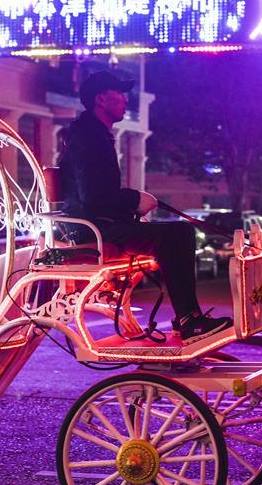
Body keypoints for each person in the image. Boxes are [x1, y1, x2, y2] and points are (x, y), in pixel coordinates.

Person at [58, 70, 232, 344]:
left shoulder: (93, 135)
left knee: (178, 233)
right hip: (93, 230)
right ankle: (188, 319)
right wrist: (135, 200)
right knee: (178, 235)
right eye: (119, 94)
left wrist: (133, 205)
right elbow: (94, 197)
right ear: (101, 99)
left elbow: (97, 196)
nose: (125, 100)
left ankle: (188, 318)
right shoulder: (89, 140)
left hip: (100, 223)